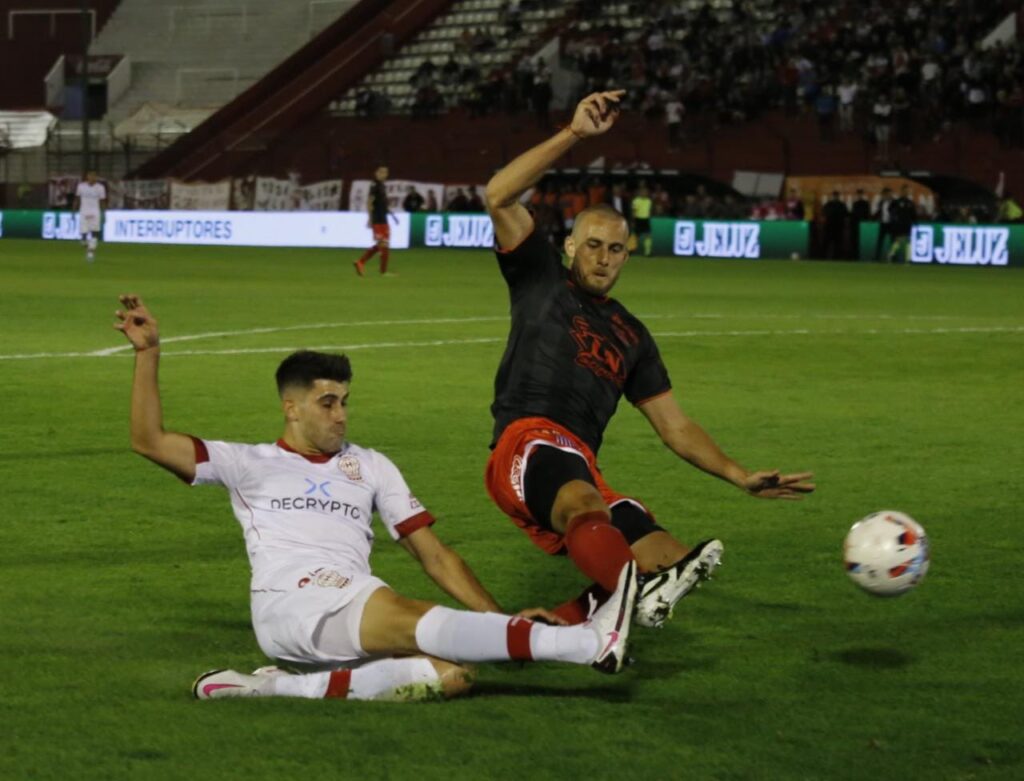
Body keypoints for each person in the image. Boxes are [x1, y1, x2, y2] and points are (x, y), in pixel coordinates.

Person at [112, 295, 639, 703]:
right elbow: (148, 441)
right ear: (291, 409)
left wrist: (497, 618)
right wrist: (149, 352)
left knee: (451, 675)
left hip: (347, 605)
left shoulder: (370, 465)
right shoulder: (247, 462)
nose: (340, 414)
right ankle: (589, 645)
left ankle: (266, 688)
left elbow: (433, 554)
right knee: (409, 612)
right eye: (327, 402)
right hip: (293, 600)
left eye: (344, 402)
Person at [482, 91, 815, 629]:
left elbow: (676, 427)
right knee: (589, 509)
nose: (603, 258)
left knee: (673, 558)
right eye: (592, 245)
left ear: (628, 255)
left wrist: (740, 475)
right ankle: (631, 601)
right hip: (528, 442)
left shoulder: (631, 335)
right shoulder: (539, 277)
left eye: (615, 250)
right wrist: (574, 134)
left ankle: (555, 625)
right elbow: (498, 195)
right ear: (568, 246)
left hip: (579, 464)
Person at [354, 165, 396, 276]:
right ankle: (381, 271)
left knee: (383, 244)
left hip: (384, 219)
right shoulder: (375, 185)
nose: (384, 174)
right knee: (383, 244)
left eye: (386, 172)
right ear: (376, 173)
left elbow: (382, 203)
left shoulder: (382, 186)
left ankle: (361, 262)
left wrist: (392, 215)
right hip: (377, 219)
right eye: (381, 172)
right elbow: (369, 202)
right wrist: (370, 218)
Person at [74, 171, 106, 263]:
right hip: (84, 211)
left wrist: (104, 213)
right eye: (90, 176)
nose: (92, 177)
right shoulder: (81, 186)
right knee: (83, 235)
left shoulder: (100, 188)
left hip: (95, 212)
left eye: (94, 176)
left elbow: (102, 201)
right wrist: (73, 210)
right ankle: (85, 242)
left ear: (96, 177)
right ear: (87, 177)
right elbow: (77, 198)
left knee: (95, 232)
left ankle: (90, 252)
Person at [887, 185, 917, 263]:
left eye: (907, 191)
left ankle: (908, 258)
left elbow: (913, 214)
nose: (906, 192)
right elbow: (890, 209)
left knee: (908, 240)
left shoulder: (910, 203)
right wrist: (894, 218)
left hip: (908, 224)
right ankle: (891, 254)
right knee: (899, 240)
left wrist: (915, 222)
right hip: (899, 224)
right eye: (905, 191)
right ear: (902, 191)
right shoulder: (897, 201)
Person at [820, 191, 849, 259]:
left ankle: (832, 257)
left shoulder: (832, 204)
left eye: (835, 196)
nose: (835, 197)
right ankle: (827, 257)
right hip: (832, 227)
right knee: (829, 243)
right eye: (834, 196)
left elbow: (846, 216)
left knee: (835, 244)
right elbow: (846, 215)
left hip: (834, 227)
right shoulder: (839, 205)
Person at [631, 183, 653, 257]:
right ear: (640, 192)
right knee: (636, 236)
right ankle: (631, 250)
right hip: (638, 219)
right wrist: (633, 221)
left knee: (648, 236)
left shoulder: (648, 201)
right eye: (643, 192)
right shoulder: (636, 201)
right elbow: (634, 211)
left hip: (646, 219)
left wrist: (649, 218)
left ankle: (647, 252)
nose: (644, 193)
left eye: (646, 192)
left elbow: (649, 211)